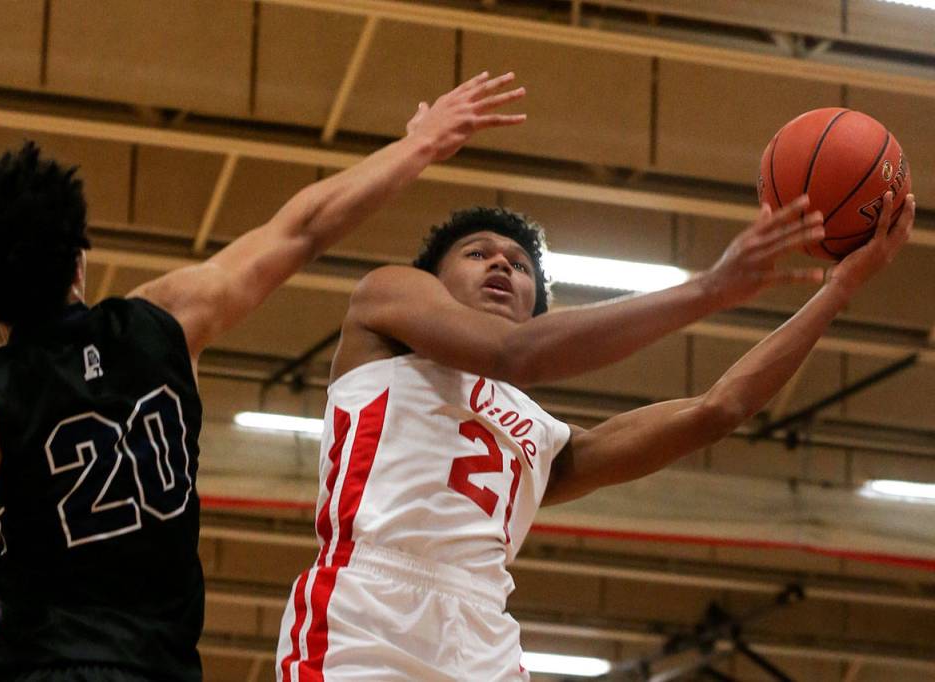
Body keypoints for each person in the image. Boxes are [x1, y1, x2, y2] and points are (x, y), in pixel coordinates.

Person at [0, 71, 526, 682]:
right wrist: (420, 142)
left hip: (34, 667)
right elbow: (305, 227)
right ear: (79, 257)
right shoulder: (166, 320)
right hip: (159, 670)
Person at [277, 191, 915, 681]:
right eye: (477, 253)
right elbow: (514, 354)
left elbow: (720, 408)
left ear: (536, 304)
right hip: (366, 607)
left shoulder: (545, 441)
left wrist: (838, 292)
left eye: (520, 265)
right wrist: (708, 290)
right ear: (434, 284)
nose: (502, 261)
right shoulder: (385, 305)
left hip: (484, 635)